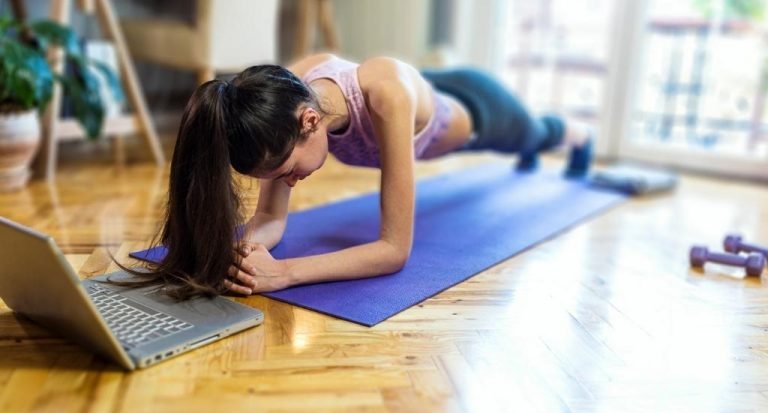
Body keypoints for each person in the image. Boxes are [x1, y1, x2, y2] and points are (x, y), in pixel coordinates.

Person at [127, 53, 592, 300]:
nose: (287, 183)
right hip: (423, 85)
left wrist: (285, 273)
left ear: (311, 121)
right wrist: (247, 250)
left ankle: (581, 134)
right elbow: (271, 216)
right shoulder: (284, 99)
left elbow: (394, 250)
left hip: (482, 113)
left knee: (539, 133)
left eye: (288, 171)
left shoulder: (385, 98)